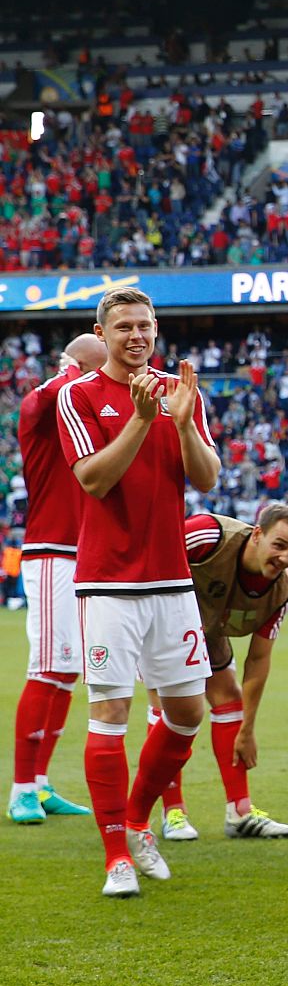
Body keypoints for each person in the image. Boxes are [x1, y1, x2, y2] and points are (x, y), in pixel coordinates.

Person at [57, 288, 220, 898]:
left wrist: (181, 423)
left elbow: (206, 477)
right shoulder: (78, 395)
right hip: (108, 583)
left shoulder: (179, 392)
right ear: (102, 333)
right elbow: (93, 481)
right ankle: (116, 856)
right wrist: (140, 420)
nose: (135, 336)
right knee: (110, 716)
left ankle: (136, 820)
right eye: (123, 327)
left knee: (185, 713)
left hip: (172, 580)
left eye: (144, 326)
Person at [148, 505, 288, 841]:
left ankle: (240, 812)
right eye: (279, 545)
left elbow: (259, 660)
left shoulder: (280, 590)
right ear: (257, 533)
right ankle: (173, 812)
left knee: (229, 698)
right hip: (159, 618)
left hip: (209, 630)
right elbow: (154, 549)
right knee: (169, 708)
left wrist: (248, 729)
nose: (285, 558)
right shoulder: (209, 534)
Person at [10, 333, 104, 826]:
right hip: (51, 552)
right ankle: (21, 787)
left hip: (83, 553)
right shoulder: (44, 404)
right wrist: (75, 369)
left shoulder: (82, 414)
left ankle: (41, 784)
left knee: (67, 670)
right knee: (46, 666)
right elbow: (41, 398)